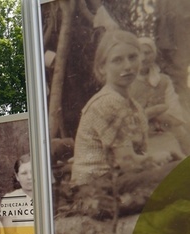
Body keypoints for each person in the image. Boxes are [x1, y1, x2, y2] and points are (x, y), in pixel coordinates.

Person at [71, 29, 173, 216]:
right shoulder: (108, 102)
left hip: (116, 181)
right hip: (94, 192)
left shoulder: (130, 103)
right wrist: (158, 159)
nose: (127, 66)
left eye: (133, 57)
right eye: (117, 60)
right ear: (102, 67)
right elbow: (127, 162)